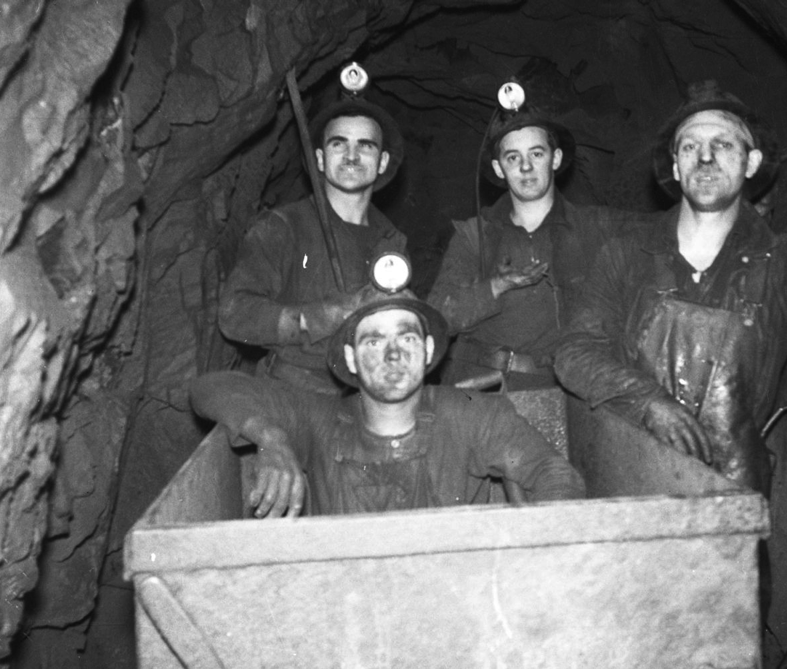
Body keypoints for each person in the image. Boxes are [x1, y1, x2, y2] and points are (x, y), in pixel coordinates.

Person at [554, 81, 787, 495]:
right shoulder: (627, 255)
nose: (704, 157)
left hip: (731, 492)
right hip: (634, 477)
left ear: (751, 163)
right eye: (689, 147)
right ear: (676, 165)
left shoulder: (780, 265)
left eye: (722, 144)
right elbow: (574, 353)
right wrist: (648, 403)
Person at [191, 290, 586, 517]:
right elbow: (209, 388)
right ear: (350, 358)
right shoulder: (321, 417)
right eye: (374, 341)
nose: (393, 355)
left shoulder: (470, 411)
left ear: (429, 351)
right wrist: (270, 437)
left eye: (407, 338)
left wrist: (538, 547)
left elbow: (553, 472)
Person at [428, 105, 636, 390]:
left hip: (558, 391)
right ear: (499, 168)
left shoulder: (595, 228)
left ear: (556, 158)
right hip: (476, 390)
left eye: (536, 154)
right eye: (513, 158)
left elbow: (668, 232)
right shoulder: (474, 235)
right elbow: (437, 318)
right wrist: (495, 287)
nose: (525, 167)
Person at [218, 92, 406, 394]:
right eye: (339, 143)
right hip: (293, 394)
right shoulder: (283, 226)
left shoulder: (392, 241)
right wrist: (331, 315)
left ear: (382, 162)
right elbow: (236, 315)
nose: (352, 155)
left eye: (365, 146)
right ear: (319, 158)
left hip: (368, 398)